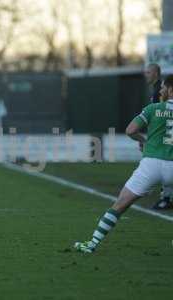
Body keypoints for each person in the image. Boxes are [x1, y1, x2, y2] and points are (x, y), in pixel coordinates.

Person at [74, 74, 173, 253]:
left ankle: (92, 244)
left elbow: (130, 130)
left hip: (151, 164)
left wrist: (143, 140)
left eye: (163, 87)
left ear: (170, 89)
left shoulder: (153, 108)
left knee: (120, 205)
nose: (161, 90)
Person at [144, 63, 173, 209]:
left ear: (156, 73)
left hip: (166, 132)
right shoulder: (156, 89)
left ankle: (165, 198)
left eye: (148, 72)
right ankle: (165, 196)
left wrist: (152, 135)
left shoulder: (159, 91)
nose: (146, 75)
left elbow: (159, 115)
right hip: (166, 131)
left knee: (165, 162)